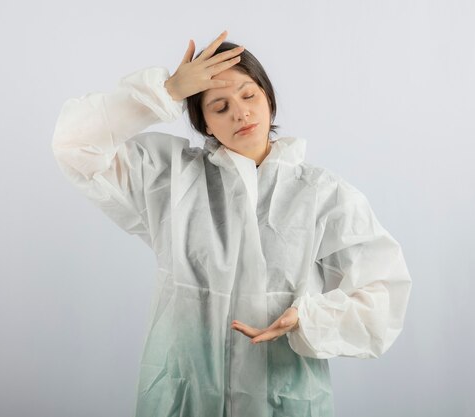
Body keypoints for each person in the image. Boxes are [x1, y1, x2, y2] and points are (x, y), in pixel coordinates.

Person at [51, 30, 412, 417]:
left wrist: (308, 319)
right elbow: (74, 145)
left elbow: (385, 292)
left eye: (248, 95)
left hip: (280, 397)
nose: (240, 112)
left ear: (269, 99)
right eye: (219, 107)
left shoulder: (322, 194)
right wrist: (167, 91)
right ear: (204, 124)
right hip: (185, 395)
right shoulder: (169, 178)